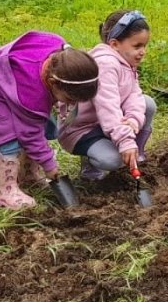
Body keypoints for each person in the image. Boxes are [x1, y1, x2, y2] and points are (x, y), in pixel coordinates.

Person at [0, 32, 100, 208]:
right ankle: (5, 192)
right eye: (70, 99)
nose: (71, 104)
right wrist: (50, 166)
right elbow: (29, 134)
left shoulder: (62, 55)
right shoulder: (31, 95)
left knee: (44, 124)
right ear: (52, 82)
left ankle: (28, 175)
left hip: (11, 81)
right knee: (7, 136)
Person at [58, 10, 156, 181]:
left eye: (144, 46)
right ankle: (91, 162)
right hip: (83, 129)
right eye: (137, 46)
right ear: (115, 44)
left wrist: (133, 120)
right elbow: (107, 107)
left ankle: (135, 154)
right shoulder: (105, 65)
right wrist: (125, 141)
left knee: (147, 104)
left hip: (106, 123)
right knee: (113, 160)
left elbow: (134, 96)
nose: (143, 51)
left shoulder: (126, 62)